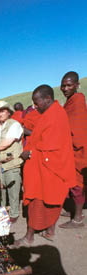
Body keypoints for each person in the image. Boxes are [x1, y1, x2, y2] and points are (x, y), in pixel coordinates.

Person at [14, 85, 76, 247]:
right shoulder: (50, 113)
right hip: (47, 168)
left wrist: (30, 153)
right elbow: (40, 138)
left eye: (37, 102)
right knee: (51, 201)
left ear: (47, 99)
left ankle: (29, 237)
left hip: (49, 169)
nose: (35, 106)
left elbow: (52, 146)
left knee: (37, 202)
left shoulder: (56, 115)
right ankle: (50, 231)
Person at [0, 100, 23, 223]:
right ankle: (1, 209)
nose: (0, 114)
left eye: (2, 111)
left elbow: (7, 142)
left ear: (8, 112)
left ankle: (14, 212)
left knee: (12, 184)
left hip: (10, 158)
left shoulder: (14, 124)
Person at [58, 71, 87, 229]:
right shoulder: (69, 102)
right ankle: (76, 211)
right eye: (63, 85)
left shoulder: (78, 101)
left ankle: (77, 219)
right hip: (70, 149)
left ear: (77, 85)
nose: (65, 88)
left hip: (79, 150)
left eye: (69, 85)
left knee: (77, 185)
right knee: (72, 184)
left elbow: (79, 130)